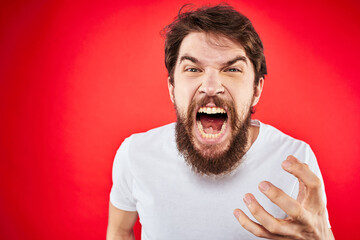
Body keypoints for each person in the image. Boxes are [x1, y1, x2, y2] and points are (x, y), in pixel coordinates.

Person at [106, 4, 334, 240]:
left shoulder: (296, 161)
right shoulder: (135, 154)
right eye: (193, 69)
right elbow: (119, 231)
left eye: (232, 69)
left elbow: (315, 231)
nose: (211, 87)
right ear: (172, 88)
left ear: (256, 89)